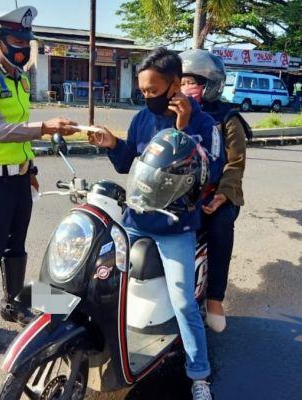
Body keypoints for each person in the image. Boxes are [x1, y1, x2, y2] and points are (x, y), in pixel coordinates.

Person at [87, 47, 224, 400]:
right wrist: (112, 144)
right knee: (96, 274)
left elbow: (209, 173)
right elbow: (127, 162)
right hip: (135, 218)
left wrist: (183, 129)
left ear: (175, 85)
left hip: (176, 226)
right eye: (143, 90)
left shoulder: (204, 124)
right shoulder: (141, 119)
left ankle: (199, 375)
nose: (147, 96)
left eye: (153, 90)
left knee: (183, 302)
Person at [0, 6, 80, 350]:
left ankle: (14, 304)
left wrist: (31, 168)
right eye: (17, 40)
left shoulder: (20, 79)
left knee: (16, 246)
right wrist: (45, 127)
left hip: (19, 178)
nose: (25, 47)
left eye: (27, 41)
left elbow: (19, 133)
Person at [179, 49, 251, 333]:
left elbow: (236, 163)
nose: (186, 88)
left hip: (216, 193)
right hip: (179, 191)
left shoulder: (228, 118)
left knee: (220, 225)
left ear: (210, 84)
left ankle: (215, 299)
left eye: (191, 82)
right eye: (181, 82)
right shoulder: (175, 113)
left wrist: (222, 194)